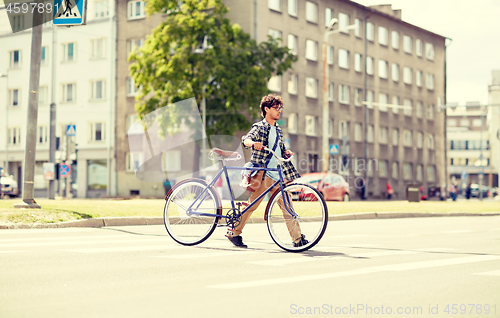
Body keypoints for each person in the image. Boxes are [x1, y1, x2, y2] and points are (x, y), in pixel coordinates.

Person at [226, 94, 306, 248]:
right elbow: (245, 139)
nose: (279, 111)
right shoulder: (259, 127)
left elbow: (279, 149)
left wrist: (286, 152)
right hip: (264, 174)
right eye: (276, 108)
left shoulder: (278, 130)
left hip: (278, 175)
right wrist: (253, 143)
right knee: (252, 205)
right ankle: (234, 232)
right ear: (266, 109)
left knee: (288, 207)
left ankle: (298, 239)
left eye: (280, 108)